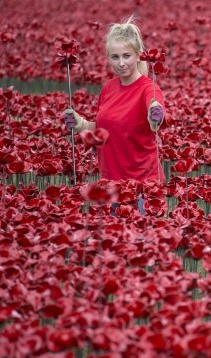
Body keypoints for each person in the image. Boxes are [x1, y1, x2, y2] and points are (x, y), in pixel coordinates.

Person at [64, 16, 166, 214]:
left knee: (140, 243)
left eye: (126, 56)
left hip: (142, 188)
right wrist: (81, 124)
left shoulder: (149, 89)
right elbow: (105, 128)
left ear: (138, 56)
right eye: (115, 57)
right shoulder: (108, 88)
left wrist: (156, 111)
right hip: (111, 184)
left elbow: (155, 117)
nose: (121, 63)